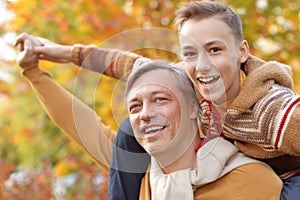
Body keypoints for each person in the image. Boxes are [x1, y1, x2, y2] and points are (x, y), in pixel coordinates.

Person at [14, 1, 300, 199]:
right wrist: (51, 57)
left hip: (289, 179)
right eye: (135, 105)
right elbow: (126, 65)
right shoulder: (141, 175)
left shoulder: (273, 112)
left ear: (242, 52)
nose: (202, 65)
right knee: (126, 131)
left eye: (214, 50)